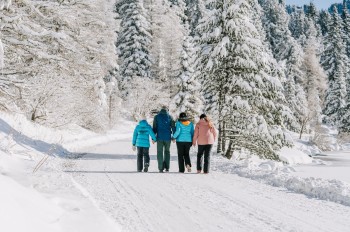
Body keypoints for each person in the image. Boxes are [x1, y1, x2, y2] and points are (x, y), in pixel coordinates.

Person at [153, 106, 175, 172]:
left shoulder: (156, 117)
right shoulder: (170, 117)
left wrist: (153, 138)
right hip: (167, 138)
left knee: (159, 152)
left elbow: (154, 128)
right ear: (167, 110)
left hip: (159, 138)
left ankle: (160, 168)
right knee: (167, 152)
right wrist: (174, 137)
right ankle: (167, 167)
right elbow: (173, 127)